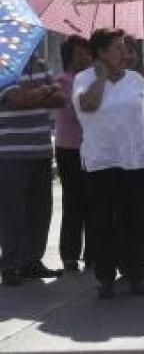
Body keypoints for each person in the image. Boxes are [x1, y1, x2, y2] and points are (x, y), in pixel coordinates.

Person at [74, 28, 144, 299]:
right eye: (116, 48)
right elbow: (87, 106)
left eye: (124, 48)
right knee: (103, 221)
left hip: (135, 160)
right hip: (101, 161)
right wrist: (101, 79)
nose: (123, 53)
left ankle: (136, 275)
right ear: (100, 53)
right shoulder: (84, 78)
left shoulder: (136, 79)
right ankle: (105, 278)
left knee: (135, 220)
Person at [0, 54, 66, 286]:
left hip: (40, 148)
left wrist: (35, 94)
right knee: (12, 212)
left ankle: (31, 261)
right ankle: (10, 264)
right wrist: (46, 90)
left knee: (40, 209)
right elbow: (18, 100)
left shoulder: (41, 64)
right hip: (10, 150)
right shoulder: (3, 65)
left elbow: (60, 99)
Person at [55, 35, 94, 272]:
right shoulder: (62, 80)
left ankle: (93, 253)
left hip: (92, 147)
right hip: (69, 148)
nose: (86, 58)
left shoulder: (93, 79)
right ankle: (69, 254)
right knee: (73, 202)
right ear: (69, 58)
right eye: (80, 54)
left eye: (88, 53)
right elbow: (74, 111)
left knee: (94, 201)